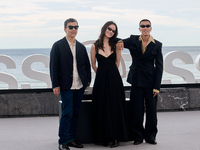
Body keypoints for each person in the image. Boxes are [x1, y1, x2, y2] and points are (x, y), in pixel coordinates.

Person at [117, 19, 163, 145]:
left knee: (151, 111)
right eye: (143, 26)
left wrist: (156, 87)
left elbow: (159, 67)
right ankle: (137, 136)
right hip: (136, 80)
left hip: (150, 82)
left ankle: (150, 136)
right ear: (139, 28)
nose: (145, 28)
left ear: (151, 28)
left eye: (147, 26)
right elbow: (117, 40)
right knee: (136, 110)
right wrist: (121, 41)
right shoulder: (133, 40)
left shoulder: (157, 44)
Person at [50, 18, 91, 150]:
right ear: (65, 29)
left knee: (75, 112)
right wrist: (55, 85)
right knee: (67, 113)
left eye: (76, 27)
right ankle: (63, 141)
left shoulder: (81, 46)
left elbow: (86, 65)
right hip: (65, 85)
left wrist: (87, 81)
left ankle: (71, 138)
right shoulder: (58, 45)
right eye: (71, 27)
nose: (73, 29)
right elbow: (53, 67)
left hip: (79, 85)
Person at [90, 21, 128, 148]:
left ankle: (115, 137)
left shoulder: (116, 45)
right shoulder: (94, 46)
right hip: (100, 80)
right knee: (102, 106)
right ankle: (104, 137)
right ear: (104, 29)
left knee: (114, 106)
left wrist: (111, 74)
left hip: (114, 80)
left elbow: (117, 62)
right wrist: (101, 74)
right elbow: (94, 65)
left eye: (113, 30)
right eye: (109, 29)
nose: (110, 31)